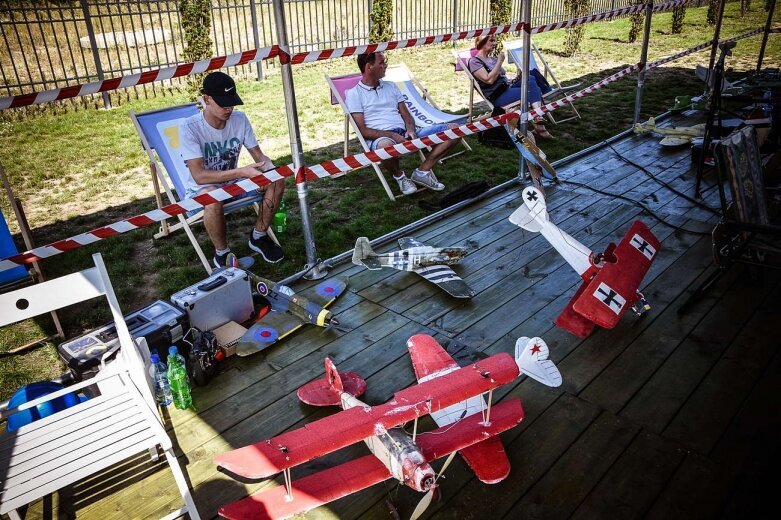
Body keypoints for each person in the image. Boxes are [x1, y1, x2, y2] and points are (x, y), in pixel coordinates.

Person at [180, 71, 285, 267]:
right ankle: (222, 253)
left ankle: (259, 237)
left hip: (233, 185)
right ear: (207, 99)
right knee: (212, 195)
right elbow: (199, 176)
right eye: (223, 103)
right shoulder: (189, 127)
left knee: (277, 180)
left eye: (232, 102)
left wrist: (272, 172)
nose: (229, 108)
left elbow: (259, 157)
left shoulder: (239, 118)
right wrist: (242, 172)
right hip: (200, 192)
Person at [345, 52, 462, 196]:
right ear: (369, 67)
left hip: (405, 133)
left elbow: (407, 115)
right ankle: (400, 176)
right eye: (381, 62)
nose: (385, 65)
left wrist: (411, 129)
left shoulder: (391, 86)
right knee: (386, 146)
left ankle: (423, 171)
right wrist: (392, 135)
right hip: (381, 138)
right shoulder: (354, 94)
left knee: (455, 130)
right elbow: (362, 130)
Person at [468, 35, 554, 139]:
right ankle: (540, 124)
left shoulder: (492, 59)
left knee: (530, 78)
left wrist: (512, 80)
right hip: (499, 95)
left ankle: (538, 118)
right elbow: (489, 80)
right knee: (533, 90)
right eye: (491, 41)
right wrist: (499, 61)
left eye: (495, 41)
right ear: (481, 42)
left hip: (507, 87)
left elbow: (502, 76)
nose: (494, 44)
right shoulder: (474, 62)